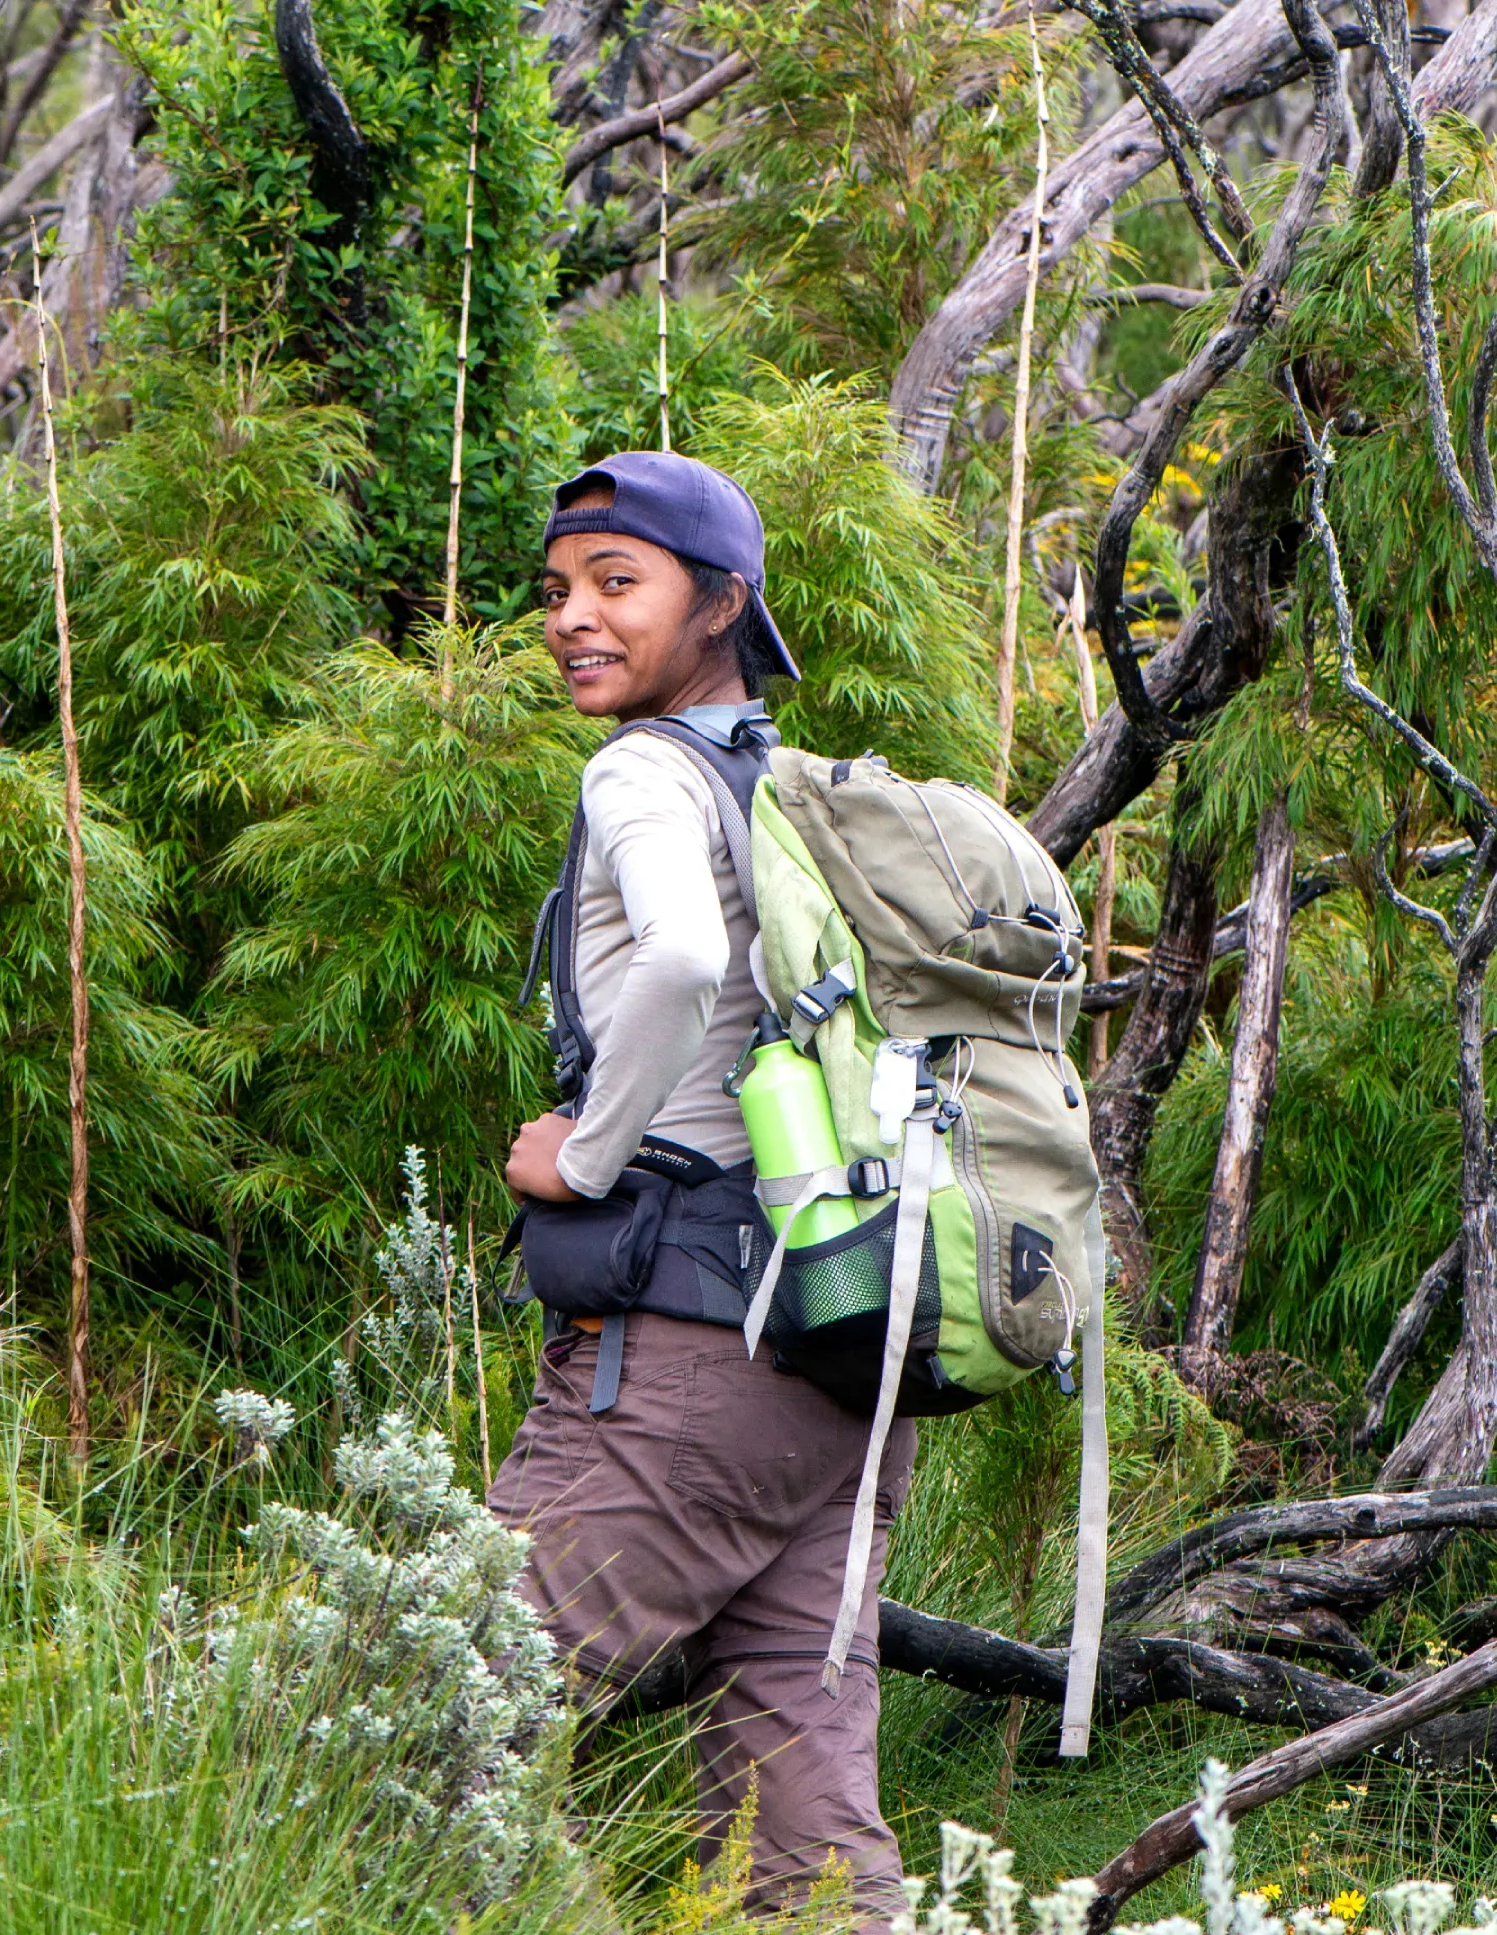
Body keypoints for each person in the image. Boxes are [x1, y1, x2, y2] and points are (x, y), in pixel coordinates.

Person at [488, 451, 916, 1923]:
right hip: (837, 1364)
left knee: (425, 1711)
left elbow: (672, 960)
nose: (572, 618)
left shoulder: (646, 771)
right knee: (804, 1817)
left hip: (677, 1369)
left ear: (721, 602)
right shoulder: (785, 787)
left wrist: (584, 1153)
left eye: (619, 584)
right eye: (558, 589)